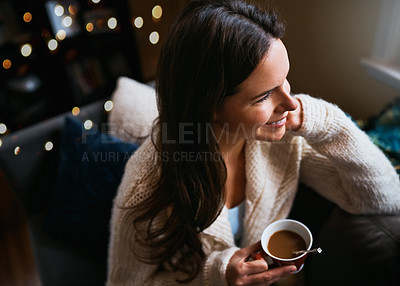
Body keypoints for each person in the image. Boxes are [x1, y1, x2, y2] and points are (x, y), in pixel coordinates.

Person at [106, 0, 400, 285]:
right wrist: (216, 276)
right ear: (209, 106)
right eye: (264, 96)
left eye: (285, 80)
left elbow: (384, 199)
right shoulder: (147, 184)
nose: (290, 102)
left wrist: (326, 121)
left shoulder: (283, 139)